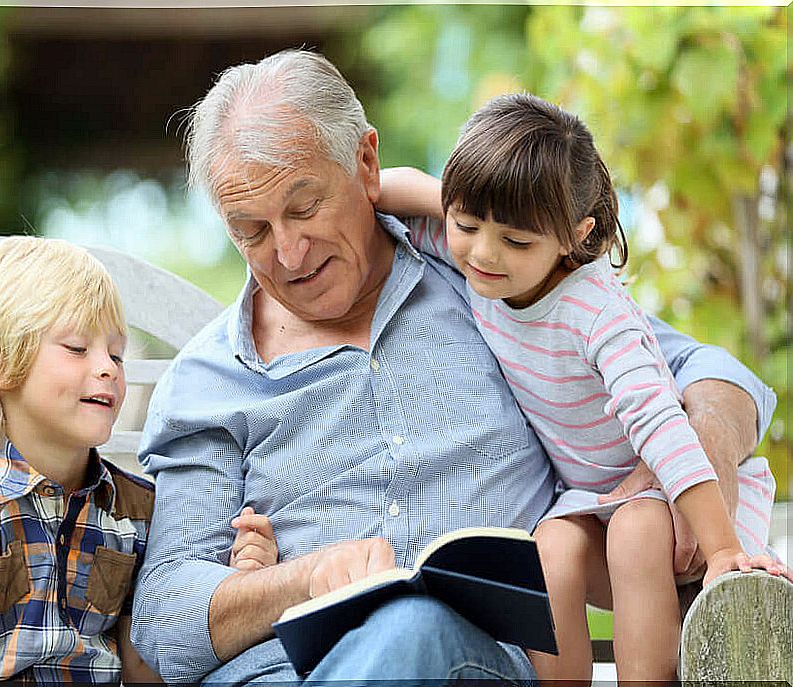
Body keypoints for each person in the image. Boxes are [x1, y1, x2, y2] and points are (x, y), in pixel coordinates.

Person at [130, 49, 777, 685]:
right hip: (283, 671)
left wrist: (705, 459)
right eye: (252, 230)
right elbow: (166, 621)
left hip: (475, 660)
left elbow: (715, 376)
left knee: (414, 626)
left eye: (304, 207)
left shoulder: (491, 280)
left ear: (366, 162)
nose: (289, 252)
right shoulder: (207, 383)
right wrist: (299, 578)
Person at [376, 93, 787, 682]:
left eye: (516, 241)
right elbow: (395, 189)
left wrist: (722, 548)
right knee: (550, 550)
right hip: (591, 502)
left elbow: (659, 425)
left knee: (636, 531)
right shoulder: (476, 252)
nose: (485, 255)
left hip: (677, 502)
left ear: (575, 234)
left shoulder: (597, 314)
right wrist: (359, 189)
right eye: (466, 225)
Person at [0, 237, 278, 684]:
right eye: (77, 348)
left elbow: (144, 671)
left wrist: (242, 584)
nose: (108, 368)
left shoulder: (137, 514)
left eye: (116, 353)